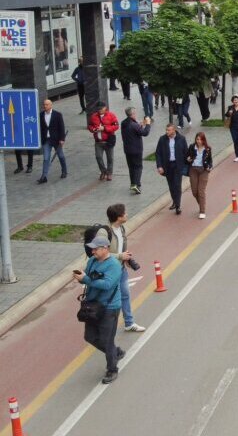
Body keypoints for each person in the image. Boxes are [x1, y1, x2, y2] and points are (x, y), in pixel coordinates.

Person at [74, 236, 124, 384]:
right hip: (93, 306)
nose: (93, 251)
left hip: (109, 307)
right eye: (92, 248)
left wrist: (86, 280)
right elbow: (89, 277)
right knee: (90, 336)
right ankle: (116, 352)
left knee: (106, 340)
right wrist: (81, 277)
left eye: (96, 248)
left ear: (105, 248)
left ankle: (112, 368)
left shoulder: (114, 265)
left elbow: (107, 284)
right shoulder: (92, 261)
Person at [105, 203, 144, 333]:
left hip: (121, 269)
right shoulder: (105, 232)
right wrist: (120, 256)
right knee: (110, 300)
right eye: (124, 213)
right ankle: (105, 326)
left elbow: (123, 245)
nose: (127, 214)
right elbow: (101, 253)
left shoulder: (121, 228)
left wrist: (126, 258)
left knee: (125, 295)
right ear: (118, 216)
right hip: (110, 272)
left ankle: (129, 323)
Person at [155, 123, 188, 215]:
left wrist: (187, 164)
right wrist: (159, 166)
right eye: (166, 130)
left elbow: (186, 152)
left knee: (177, 185)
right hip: (168, 166)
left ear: (173, 130)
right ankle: (175, 201)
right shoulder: (162, 139)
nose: (167, 132)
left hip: (178, 166)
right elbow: (158, 153)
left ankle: (178, 206)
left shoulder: (181, 139)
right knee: (171, 186)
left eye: (169, 130)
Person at [120, 108, 151, 194]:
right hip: (136, 149)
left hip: (127, 149)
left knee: (131, 167)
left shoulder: (124, 123)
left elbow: (134, 130)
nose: (136, 114)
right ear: (132, 114)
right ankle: (135, 184)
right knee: (138, 167)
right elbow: (145, 133)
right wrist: (148, 124)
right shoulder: (133, 125)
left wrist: (140, 125)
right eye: (135, 113)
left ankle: (133, 183)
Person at [37, 98, 67, 184]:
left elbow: (62, 127)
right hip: (46, 140)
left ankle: (64, 171)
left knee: (61, 156)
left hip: (56, 140)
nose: (45, 106)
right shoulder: (41, 115)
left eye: (46, 104)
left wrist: (62, 139)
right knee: (46, 158)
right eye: (44, 104)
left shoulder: (57, 115)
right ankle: (44, 176)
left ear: (51, 105)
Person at [87, 102, 119, 181]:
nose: (100, 110)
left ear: (105, 108)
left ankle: (109, 173)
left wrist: (105, 128)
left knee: (110, 158)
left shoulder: (111, 115)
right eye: (98, 109)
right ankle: (103, 171)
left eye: (101, 109)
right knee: (98, 157)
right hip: (98, 141)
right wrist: (93, 129)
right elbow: (90, 125)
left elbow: (116, 126)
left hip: (108, 141)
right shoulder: (93, 116)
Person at [185, 132, 213, 219]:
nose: (199, 141)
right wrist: (188, 159)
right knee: (194, 191)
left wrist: (209, 167)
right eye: (197, 139)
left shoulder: (207, 149)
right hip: (193, 169)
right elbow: (187, 158)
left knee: (201, 190)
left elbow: (210, 161)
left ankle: (202, 211)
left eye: (201, 139)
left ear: (204, 140)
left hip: (203, 170)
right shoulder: (192, 147)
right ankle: (201, 204)